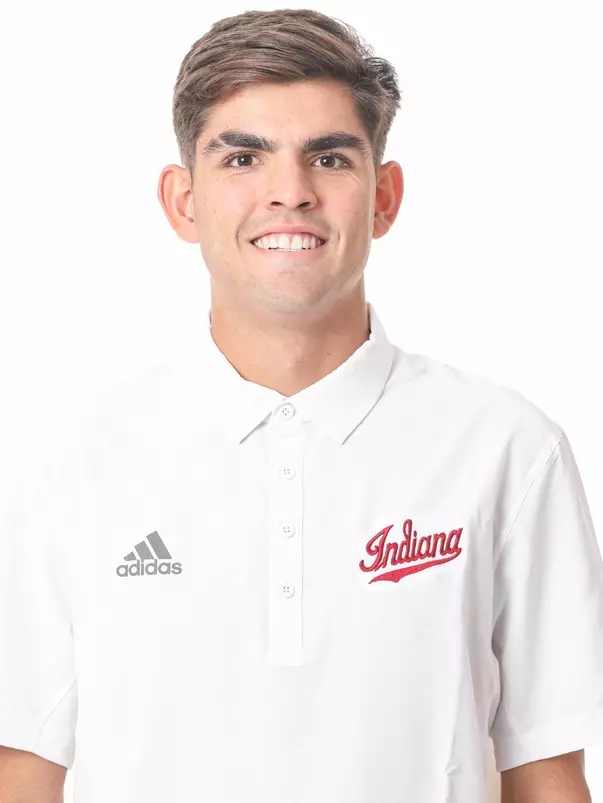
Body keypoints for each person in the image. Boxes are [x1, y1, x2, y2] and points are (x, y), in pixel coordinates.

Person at [1, 9, 602, 803]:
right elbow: (24, 767)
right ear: (182, 201)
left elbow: (547, 770)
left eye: (328, 157)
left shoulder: (506, 448)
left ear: (383, 197)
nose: (290, 193)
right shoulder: (72, 463)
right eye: (243, 156)